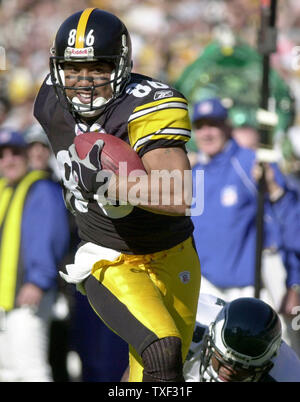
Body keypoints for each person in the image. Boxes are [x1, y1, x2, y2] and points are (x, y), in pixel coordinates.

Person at [34, 8, 201, 382]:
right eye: (74, 69)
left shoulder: (147, 105)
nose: (83, 82)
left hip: (174, 255)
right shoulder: (49, 101)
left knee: (156, 371)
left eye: (98, 68)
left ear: (122, 66)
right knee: (162, 351)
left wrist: (110, 181)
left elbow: (180, 195)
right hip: (109, 257)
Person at [190, 97, 300, 355]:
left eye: (214, 124)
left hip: (252, 289)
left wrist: (295, 282)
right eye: (201, 125)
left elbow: (289, 219)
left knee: (273, 358)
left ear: (227, 126)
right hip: (205, 291)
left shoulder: (251, 163)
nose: (207, 132)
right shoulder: (192, 171)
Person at [0, 128, 69, 381]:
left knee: (31, 369)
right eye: (2, 154)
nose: (9, 159)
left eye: (16, 152)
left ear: (26, 155)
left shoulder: (41, 189)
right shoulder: (5, 189)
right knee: (7, 371)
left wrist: (37, 281)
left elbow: (49, 238)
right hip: (5, 297)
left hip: (28, 292)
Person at [183, 293, 300, 382]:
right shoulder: (185, 325)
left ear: (266, 365)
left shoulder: (288, 374)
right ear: (210, 338)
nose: (230, 372)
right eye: (225, 361)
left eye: (242, 367)